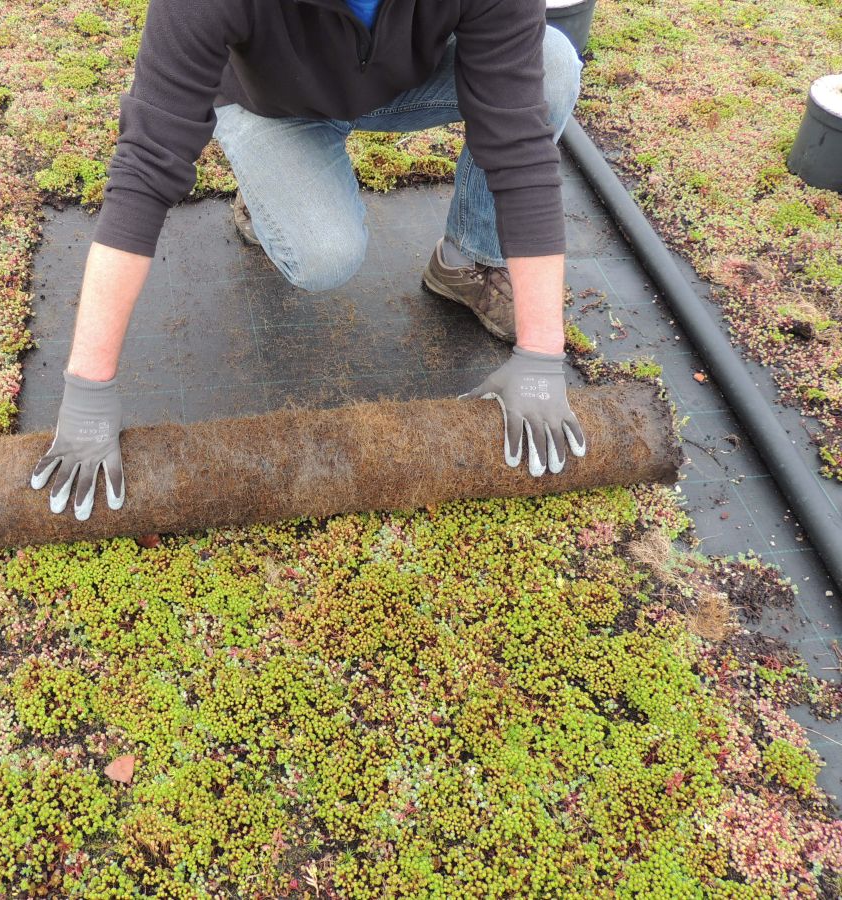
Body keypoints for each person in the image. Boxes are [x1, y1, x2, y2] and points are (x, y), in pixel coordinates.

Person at [31, 0, 589, 521]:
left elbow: (518, 145)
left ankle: (467, 260)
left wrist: (542, 357)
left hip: (395, 78)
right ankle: (266, 188)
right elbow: (143, 174)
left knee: (553, 64)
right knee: (324, 254)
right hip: (269, 102)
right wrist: (88, 389)